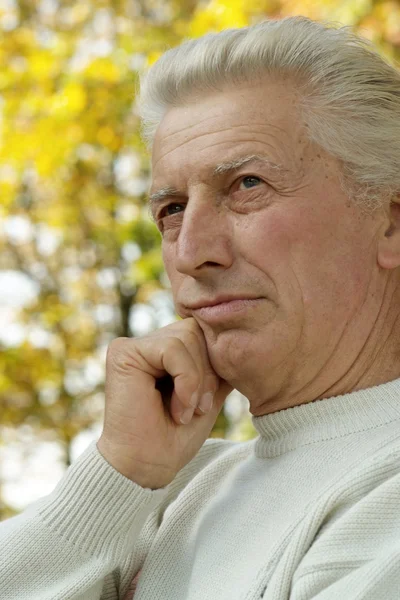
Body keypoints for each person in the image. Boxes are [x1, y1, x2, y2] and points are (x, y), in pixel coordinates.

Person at [2, 15, 400, 600]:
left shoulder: (384, 491)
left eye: (246, 185)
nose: (191, 252)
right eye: (170, 209)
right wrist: (118, 476)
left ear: (390, 222)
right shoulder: (178, 487)